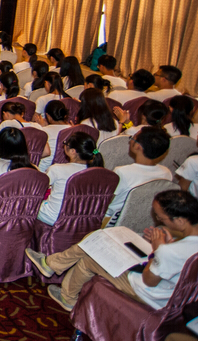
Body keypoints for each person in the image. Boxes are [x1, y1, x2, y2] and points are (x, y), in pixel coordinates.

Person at [27, 190, 198, 311]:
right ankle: (52, 266)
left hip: (150, 293)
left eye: (161, 218)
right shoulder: (186, 243)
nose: (159, 221)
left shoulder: (170, 252)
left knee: (89, 258)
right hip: (171, 291)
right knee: (100, 238)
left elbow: (149, 281)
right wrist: (166, 246)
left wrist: (158, 250)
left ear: (180, 221)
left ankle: (67, 295)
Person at [106, 126, 173, 226]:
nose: (130, 141)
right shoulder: (166, 173)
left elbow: (106, 202)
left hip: (112, 222)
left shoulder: (122, 172)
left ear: (138, 146)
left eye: (132, 138)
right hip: (145, 224)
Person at [37, 132, 104, 225]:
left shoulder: (57, 169)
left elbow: (38, 187)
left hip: (54, 218)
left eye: (66, 143)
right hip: (81, 219)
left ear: (73, 151)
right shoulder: (97, 172)